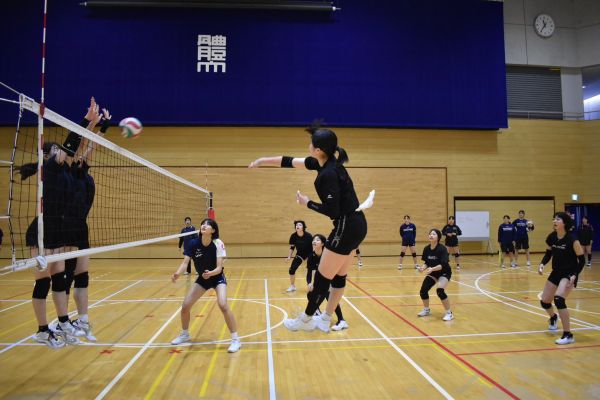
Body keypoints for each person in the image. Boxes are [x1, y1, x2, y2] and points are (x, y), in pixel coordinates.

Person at [249, 121, 368, 333]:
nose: (308, 146)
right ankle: (326, 318)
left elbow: (333, 211)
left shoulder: (328, 174)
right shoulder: (322, 163)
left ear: (318, 150)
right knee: (339, 276)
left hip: (346, 226)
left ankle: (305, 320)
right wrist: (262, 160)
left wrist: (307, 203)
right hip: (357, 225)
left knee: (322, 278)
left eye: (311, 143)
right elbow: (289, 161)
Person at [19, 98, 97, 347]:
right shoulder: (51, 168)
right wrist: (85, 120)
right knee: (42, 282)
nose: (60, 153)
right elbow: (71, 145)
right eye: (56, 151)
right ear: (48, 155)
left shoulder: (65, 171)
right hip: (42, 231)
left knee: (60, 279)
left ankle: (63, 322)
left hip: (60, 230)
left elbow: (79, 148)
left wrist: (93, 126)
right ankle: (42, 330)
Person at [63, 105, 111, 342]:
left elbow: (91, 146)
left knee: (82, 275)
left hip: (81, 227)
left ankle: (83, 322)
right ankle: (63, 323)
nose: (84, 153)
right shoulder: (66, 171)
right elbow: (78, 144)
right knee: (65, 276)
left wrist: (103, 127)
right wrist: (88, 122)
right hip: (64, 227)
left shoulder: (83, 171)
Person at [170, 218, 241, 353]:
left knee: (223, 304)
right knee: (185, 306)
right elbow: (185, 263)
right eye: (203, 224)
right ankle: (185, 334)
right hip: (203, 279)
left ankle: (235, 339)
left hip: (217, 277)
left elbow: (219, 268)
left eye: (207, 225)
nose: (203, 226)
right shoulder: (193, 243)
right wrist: (178, 273)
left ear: (213, 230)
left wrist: (211, 273)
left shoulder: (218, 243)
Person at [538, 212, 585, 345]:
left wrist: (575, 274)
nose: (554, 221)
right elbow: (548, 253)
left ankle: (568, 335)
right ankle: (553, 317)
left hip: (569, 274)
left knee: (559, 299)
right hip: (556, 272)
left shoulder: (572, 239)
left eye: (558, 219)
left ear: (564, 223)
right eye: (554, 219)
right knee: (545, 301)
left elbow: (581, 260)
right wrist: (542, 264)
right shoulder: (552, 237)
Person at [306, 234, 348, 330]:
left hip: (333, 278)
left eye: (317, 240)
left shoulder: (327, 256)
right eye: (314, 240)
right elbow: (309, 272)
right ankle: (318, 314)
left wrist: (330, 284)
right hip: (322, 279)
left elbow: (335, 270)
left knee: (329, 295)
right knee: (310, 294)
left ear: (322, 243)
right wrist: (309, 283)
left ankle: (341, 320)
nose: (314, 241)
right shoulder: (311, 256)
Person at [416, 229, 454, 321]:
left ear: (438, 237)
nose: (431, 235)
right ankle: (426, 310)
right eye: (430, 234)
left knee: (440, 291)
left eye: (433, 234)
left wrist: (432, 269)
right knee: (423, 290)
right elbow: (427, 262)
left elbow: (443, 265)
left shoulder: (442, 249)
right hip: (433, 272)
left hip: (444, 271)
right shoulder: (426, 249)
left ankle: (449, 313)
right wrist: (422, 268)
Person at [285, 220, 313, 292]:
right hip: (300, 254)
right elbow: (292, 247)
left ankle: (311, 285)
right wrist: (289, 256)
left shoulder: (308, 236)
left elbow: (314, 246)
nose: (297, 226)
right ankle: (292, 286)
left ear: (303, 227)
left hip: (310, 253)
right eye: (297, 225)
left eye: (300, 225)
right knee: (292, 269)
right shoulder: (293, 236)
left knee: (311, 269)